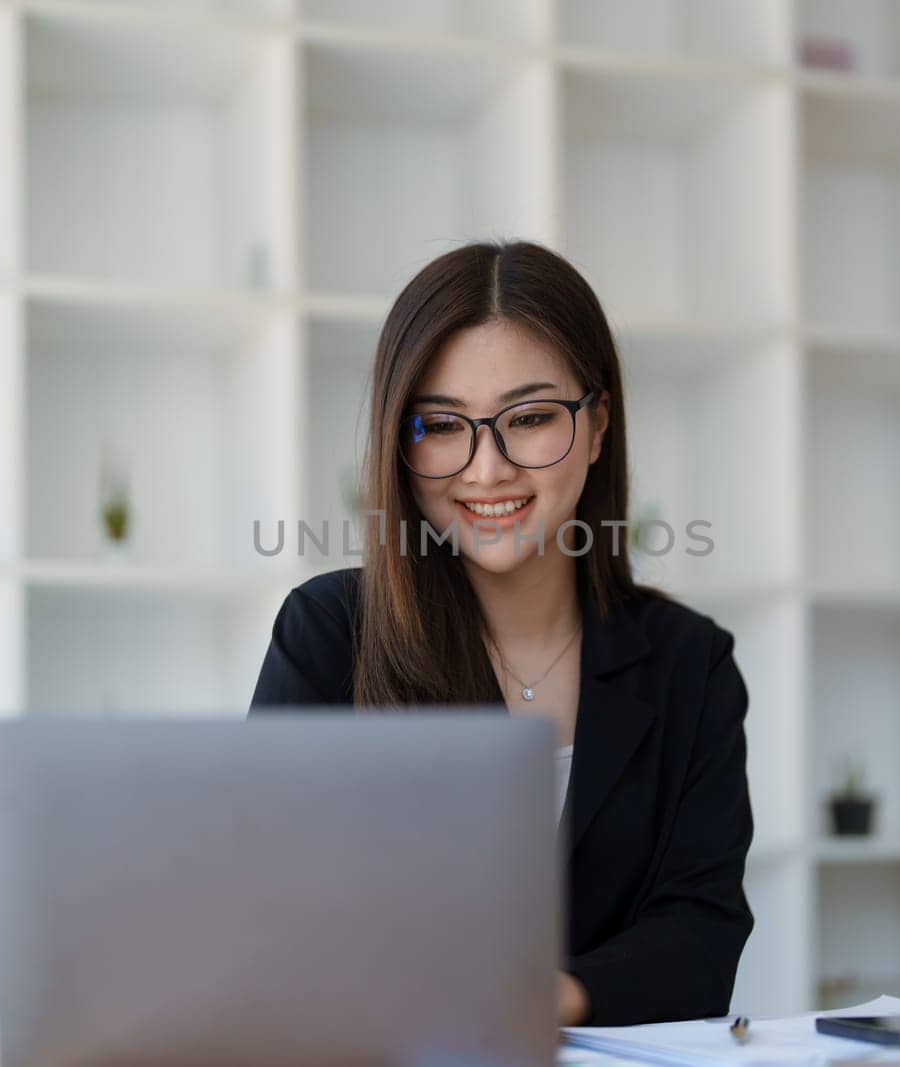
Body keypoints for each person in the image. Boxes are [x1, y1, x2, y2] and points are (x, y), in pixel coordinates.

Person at [250, 240, 753, 1027]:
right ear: (399, 441)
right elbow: (271, 911)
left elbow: (701, 931)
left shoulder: (692, 664)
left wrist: (552, 995)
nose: (486, 470)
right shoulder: (330, 635)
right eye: (442, 425)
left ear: (597, 426)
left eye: (529, 418)